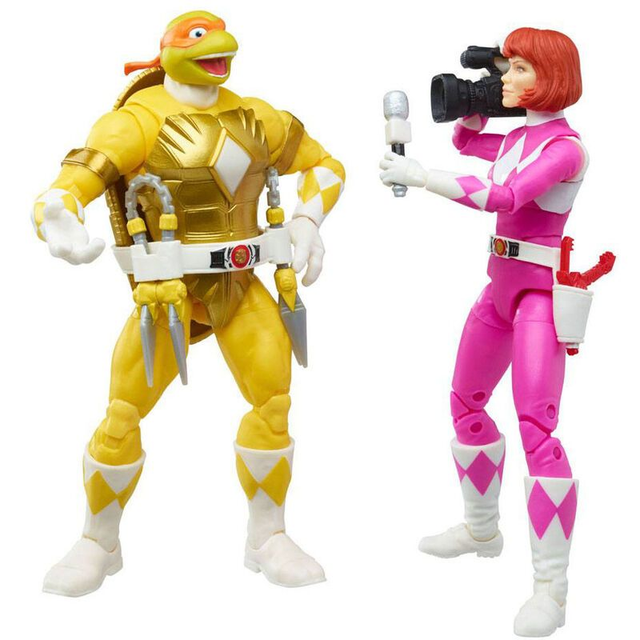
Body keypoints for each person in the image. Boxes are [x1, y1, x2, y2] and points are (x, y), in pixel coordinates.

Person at [33, 10, 344, 597]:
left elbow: (326, 166)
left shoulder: (259, 117)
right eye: (198, 38)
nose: (216, 49)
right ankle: (99, 541)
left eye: (218, 39)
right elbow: (75, 180)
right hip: (167, 294)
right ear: (168, 51)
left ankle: (268, 536)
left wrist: (307, 219)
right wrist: (57, 214)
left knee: (274, 403)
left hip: (242, 286)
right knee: (122, 413)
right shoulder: (138, 120)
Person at [380, 27, 586, 637]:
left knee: (537, 431)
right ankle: (481, 530)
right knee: (465, 403)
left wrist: (422, 176)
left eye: (518, 70)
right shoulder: (520, 136)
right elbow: (470, 141)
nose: (506, 80)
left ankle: (551, 588)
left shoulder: (566, 149)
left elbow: (504, 196)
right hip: (498, 287)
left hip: (539, 296)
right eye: (505, 68)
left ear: (550, 77)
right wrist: (477, 101)